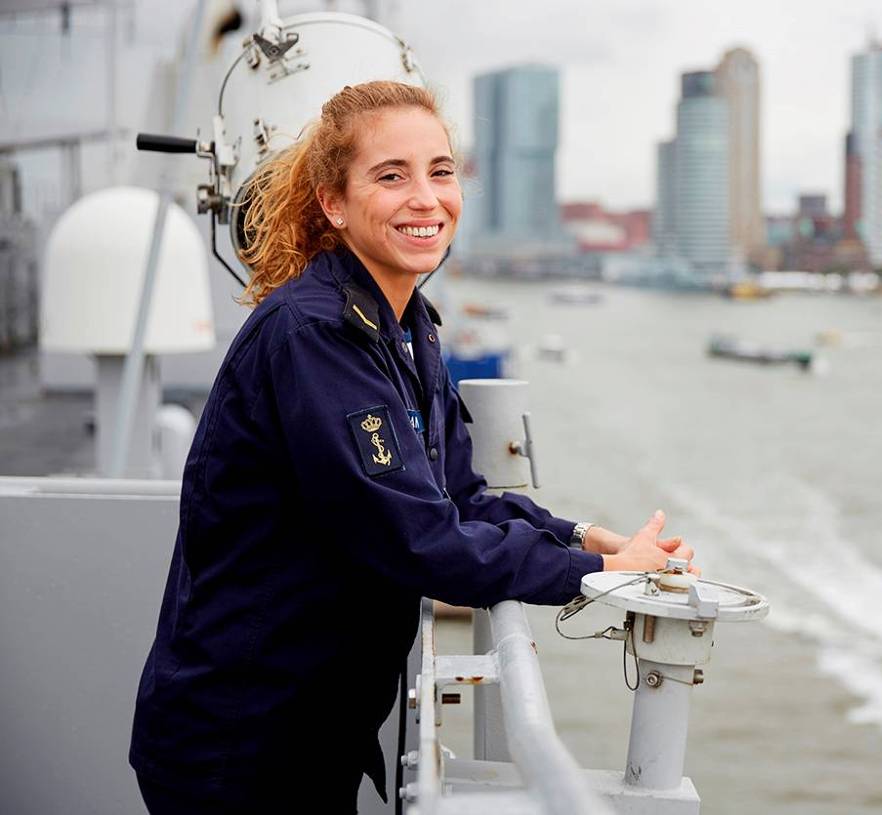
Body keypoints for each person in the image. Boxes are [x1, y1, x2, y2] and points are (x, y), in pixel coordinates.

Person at [129, 80, 694, 814]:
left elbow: (460, 498)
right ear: (334, 203)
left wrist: (586, 538)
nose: (426, 198)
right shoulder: (316, 337)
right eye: (392, 176)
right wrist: (597, 574)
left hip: (311, 731)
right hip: (239, 742)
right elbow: (419, 541)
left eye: (441, 171)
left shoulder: (409, 325)